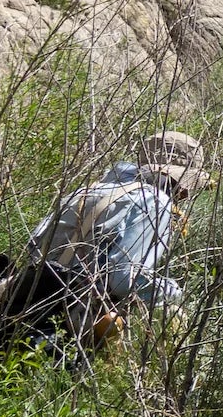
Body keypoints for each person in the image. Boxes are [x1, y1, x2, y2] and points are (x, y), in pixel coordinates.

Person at [21, 130, 212, 344]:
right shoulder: (155, 203)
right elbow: (124, 280)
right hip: (73, 325)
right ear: (173, 178)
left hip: (26, 308)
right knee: (172, 314)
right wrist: (176, 292)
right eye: (186, 185)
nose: (185, 194)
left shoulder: (85, 191)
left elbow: (33, 247)